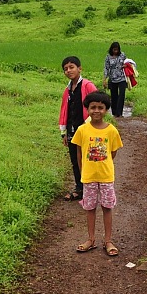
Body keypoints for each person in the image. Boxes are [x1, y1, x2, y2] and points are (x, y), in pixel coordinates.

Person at [72, 91, 123, 256]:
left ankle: (108, 240)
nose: (96, 111)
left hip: (106, 176)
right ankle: (91, 239)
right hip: (89, 176)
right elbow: (79, 153)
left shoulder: (111, 131)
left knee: (107, 207)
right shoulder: (82, 130)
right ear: (87, 109)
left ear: (106, 110)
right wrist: (82, 172)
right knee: (90, 208)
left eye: (100, 108)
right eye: (92, 107)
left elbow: (112, 152)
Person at [58, 56, 98, 201]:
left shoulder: (88, 86)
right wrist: (64, 133)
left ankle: (90, 188)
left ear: (80, 68)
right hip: (72, 130)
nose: (69, 71)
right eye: (65, 69)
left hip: (86, 130)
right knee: (75, 159)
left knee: (88, 159)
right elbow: (64, 111)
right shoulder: (67, 90)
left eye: (71, 67)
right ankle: (79, 187)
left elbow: (97, 106)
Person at [103, 41, 127, 118]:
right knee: (114, 96)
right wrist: (105, 79)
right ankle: (114, 112)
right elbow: (106, 68)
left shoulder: (122, 55)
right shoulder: (108, 57)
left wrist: (125, 66)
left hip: (122, 78)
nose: (115, 51)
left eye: (117, 50)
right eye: (114, 50)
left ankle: (119, 113)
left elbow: (127, 63)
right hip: (112, 78)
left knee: (122, 95)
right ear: (111, 49)